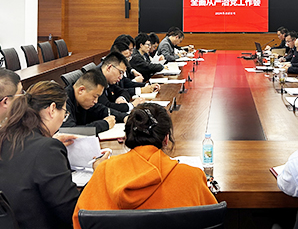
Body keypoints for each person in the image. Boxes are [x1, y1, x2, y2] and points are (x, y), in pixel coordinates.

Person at [0, 81, 108, 229]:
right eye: (64, 114)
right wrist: (99, 173)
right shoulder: (47, 150)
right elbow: (73, 211)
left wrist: (46, 143)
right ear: (52, 109)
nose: (63, 120)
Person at [72, 103, 217, 229]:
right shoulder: (192, 177)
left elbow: (80, 221)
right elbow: (211, 219)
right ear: (166, 139)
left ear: (126, 137)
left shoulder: (103, 172)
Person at [62, 69, 118, 134]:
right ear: (81, 90)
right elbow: (70, 131)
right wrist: (104, 124)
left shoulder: (84, 102)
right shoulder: (62, 102)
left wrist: (124, 117)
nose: (96, 101)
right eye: (95, 96)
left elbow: (101, 110)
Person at [98, 51, 146, 117]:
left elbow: (123, 91)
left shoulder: (108, 79)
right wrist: (132, 105)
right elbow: (106, 106)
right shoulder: (95, 79)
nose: (121, 77)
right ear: (109, 68)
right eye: (120, 72)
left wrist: (121, 98)